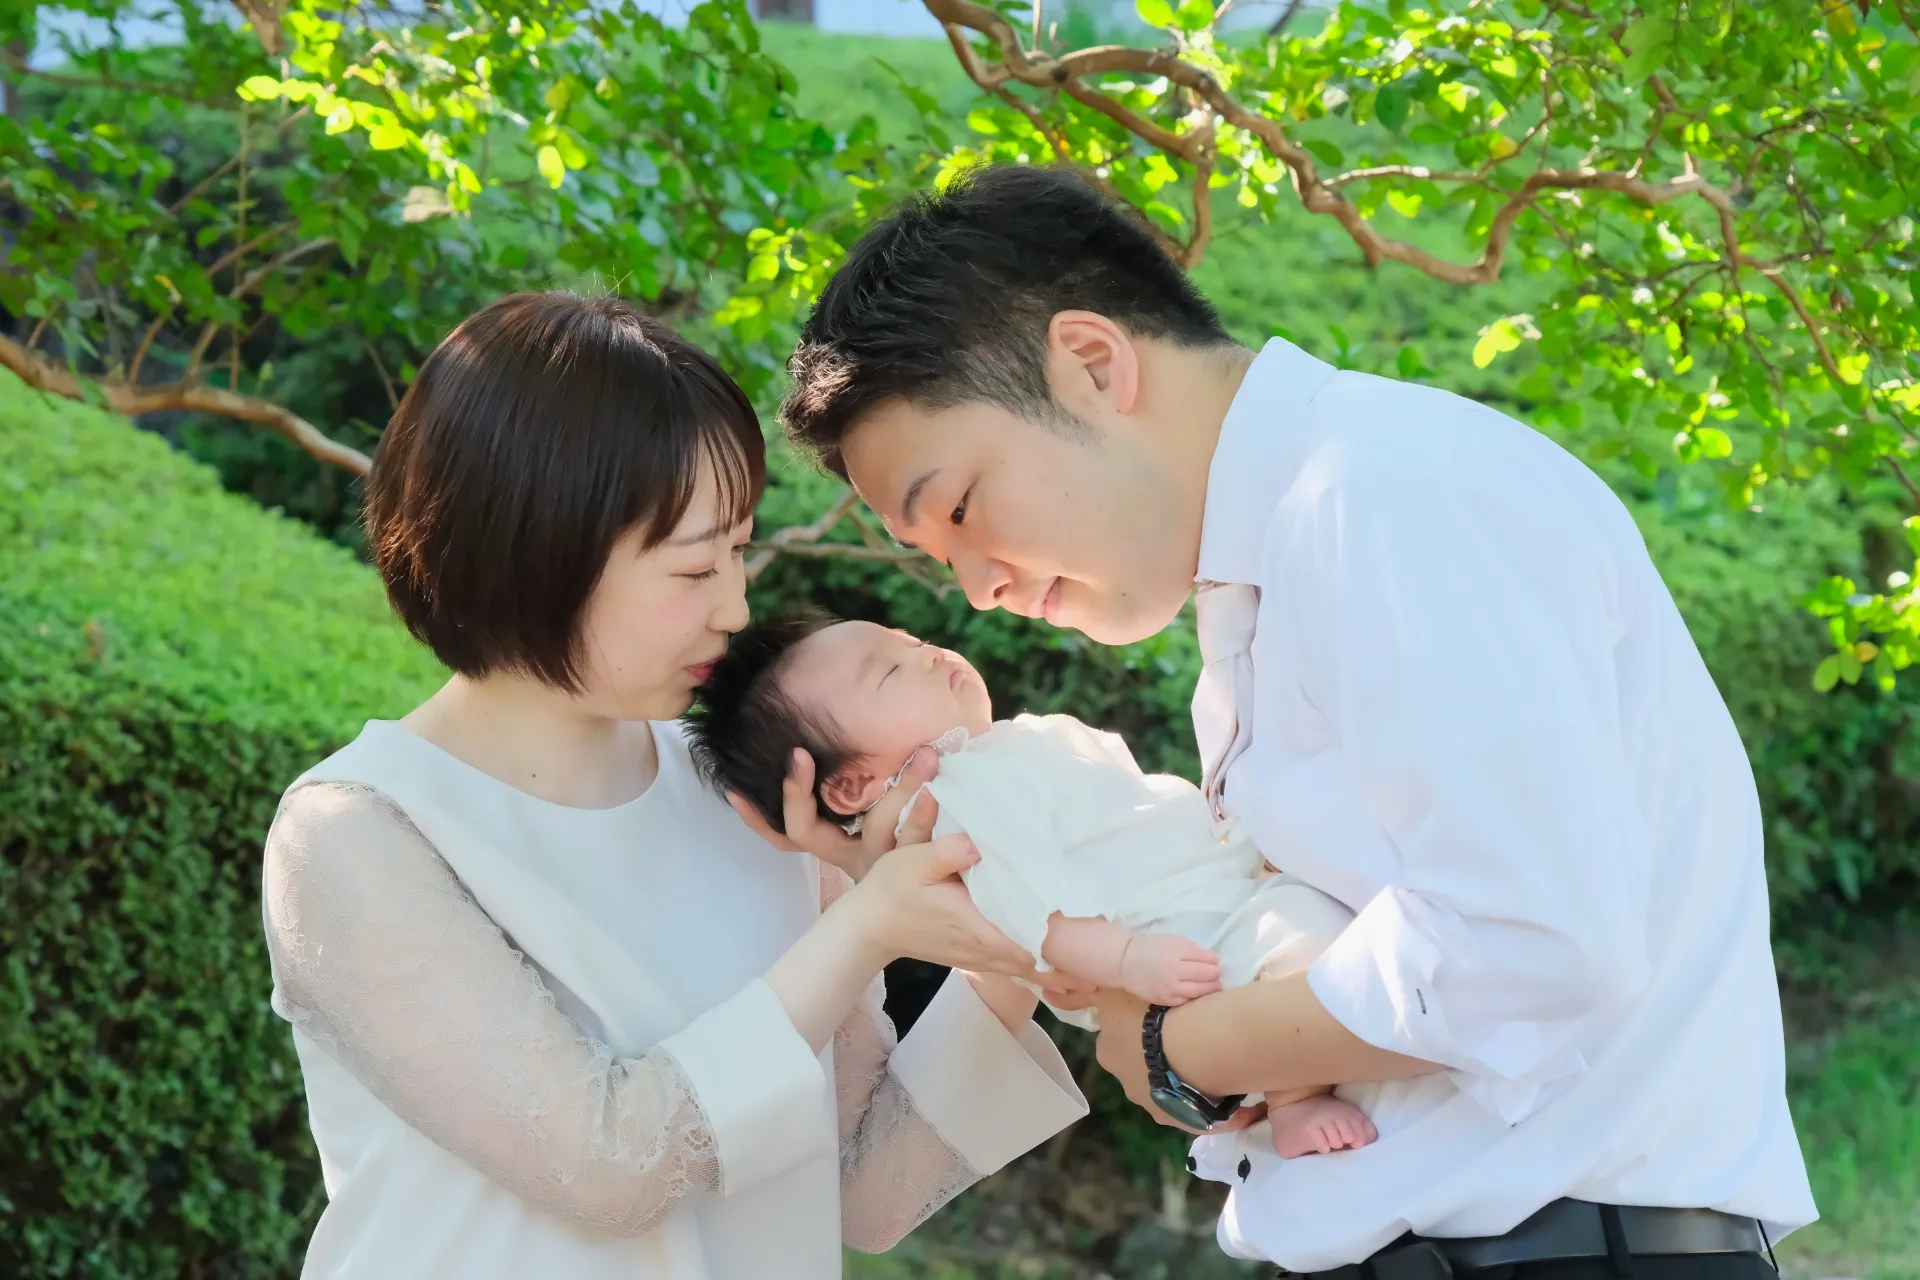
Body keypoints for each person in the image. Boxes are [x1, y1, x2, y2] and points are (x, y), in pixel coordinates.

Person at [759, 164, 1818, 1278]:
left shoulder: (1381, 493)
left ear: (1091, 363)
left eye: (964, 507)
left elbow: (1534, 939)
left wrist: (1181, 1045)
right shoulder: (1275, 565)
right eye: (940, 557)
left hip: (1545, 1250)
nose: (977, 587)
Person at [258, 291, 1088, 1280]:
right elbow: (606, 1167)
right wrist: (863, 928)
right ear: (541, 551)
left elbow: (862, 1189)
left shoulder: (742, 793)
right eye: (695, 571)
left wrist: (989, 939)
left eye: (739, 553)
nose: (735, 607)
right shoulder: (359, 833)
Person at [684, 609, 1376, 1158]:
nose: (927, 653)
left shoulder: (1008, 748)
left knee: (1323, 930)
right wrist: (1128, 960)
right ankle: (1296, 1102)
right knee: (1307, 950)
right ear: (851, 785)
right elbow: (1030, 901)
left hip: (1216, 895)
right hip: (1180, 936)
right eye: (889, 672)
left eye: (912, 640)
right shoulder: (956, 793)